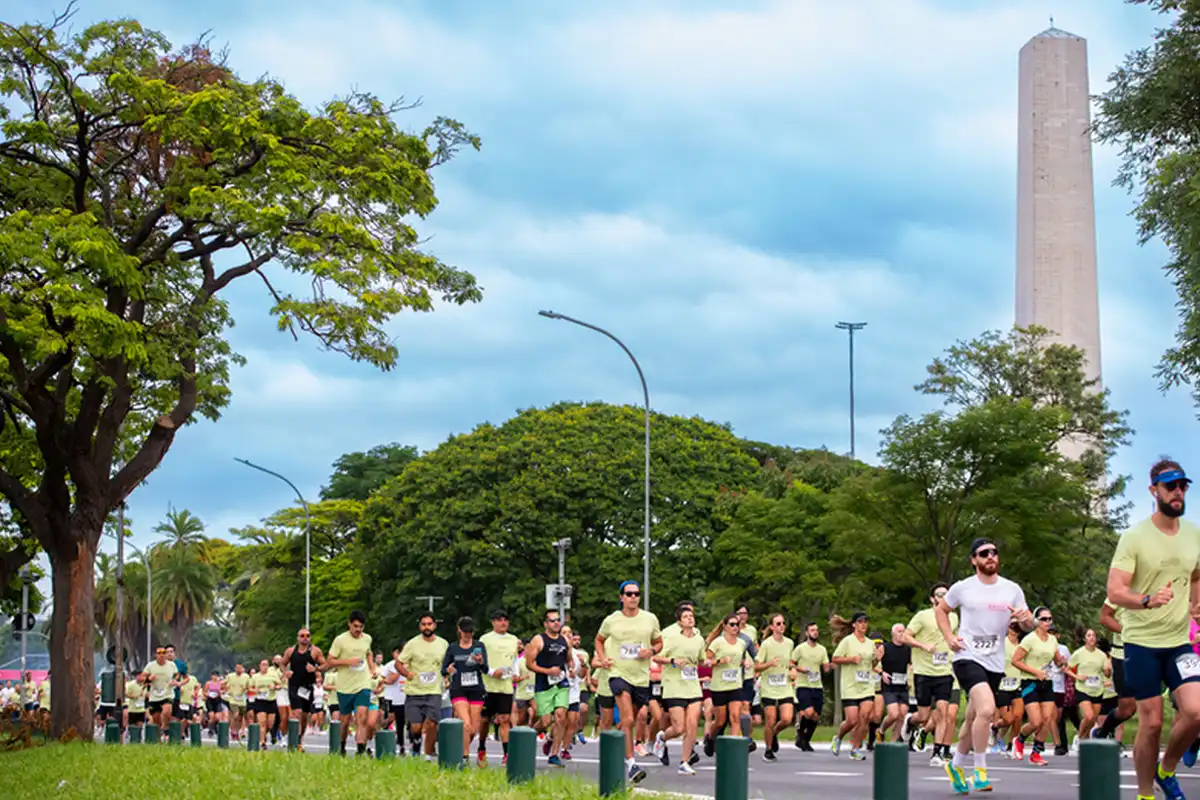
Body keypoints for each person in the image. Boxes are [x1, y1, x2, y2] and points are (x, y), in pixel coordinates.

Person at [1106, 458, 1200, 800]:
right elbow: (1115, 590)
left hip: (1178, 641)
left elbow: (1196, 574)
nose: (1178, 492)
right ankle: (1145, 793)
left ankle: (1167, 769)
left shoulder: (1194, 534)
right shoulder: (1134, 537)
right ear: (1153, 491)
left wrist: (1195, 606)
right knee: (1152, 723)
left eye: (1183, 486)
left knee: (1196, 713)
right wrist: (1147, 600)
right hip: (1142, 642)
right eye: (1170, 486)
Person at [938, 537, 1033, 795]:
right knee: (988, 710)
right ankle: (979, 771)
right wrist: (949, 636)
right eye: (984, 553)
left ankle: (956, 765)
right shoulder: (962, 588)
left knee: (972, 718)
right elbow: (941, 611)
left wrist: (1026, 620)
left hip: (994, 661)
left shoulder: (1011, 589)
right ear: (974, 560)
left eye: (994, 552)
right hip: (966, 657)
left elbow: (1028, 624)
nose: (990, 556)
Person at [595, 580, 662, 785]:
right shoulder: (611, 620)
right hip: (618, 673)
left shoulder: (650, 619)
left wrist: (651, 651)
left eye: (636, 594)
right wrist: (603, 657)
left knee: (628, 719)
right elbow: (598, 639)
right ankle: (632, 764)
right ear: (621, 597)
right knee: (629, 719)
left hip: (641, 677)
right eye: (629, 594)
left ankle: (618, 748)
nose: (633, 597)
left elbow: (659, 642)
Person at [653, 605, 705, 774]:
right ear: (680, 622)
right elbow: (657, 657)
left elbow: (702, 660)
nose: (690, 618)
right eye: (686, 616)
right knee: (679, 728)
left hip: (693, 686)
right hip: (674, 686)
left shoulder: (699, 639)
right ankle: (662, 737)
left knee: (692, 725)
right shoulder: (672, 638)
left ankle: (684, 761)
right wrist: (673, 661)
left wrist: (711, 663)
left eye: (691, 615)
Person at [1010, 606, 1064, 765]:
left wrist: (1062, 662)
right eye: (1044, 619)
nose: (1048, 622)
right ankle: (1019, 740)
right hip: (1030, 682)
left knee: (1047, 719)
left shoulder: (1053, 640)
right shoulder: (1029, 639)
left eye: (1050, 619)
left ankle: (1036, 753)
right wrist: (1035, 672)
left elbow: (1057, 659)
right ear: (1036, 621)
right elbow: (1015, 660)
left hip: (1047, 682)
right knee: (1036, 721)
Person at [397, 612, 449, 760]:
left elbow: (446, 664)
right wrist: (407, 674)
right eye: (424, 624)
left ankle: (427, 753)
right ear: (420, 626)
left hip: (434, 690)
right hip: (415, 691)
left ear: (435, 625)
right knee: (416, 727)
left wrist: (447, 676)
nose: (427, 627)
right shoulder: (412, 644)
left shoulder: (443, 644)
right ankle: (416, 745)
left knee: (432, 723)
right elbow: (398, 663)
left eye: (429, 624)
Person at [325, 609, 377, 756]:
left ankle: (360, 750)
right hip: (345, 686)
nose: (358, 630)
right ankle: (341, 747)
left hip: (363, 683)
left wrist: (372, 668)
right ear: (349, 624)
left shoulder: (367, 639)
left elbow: (368, 653)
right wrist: (348, 662)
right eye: (355, 626)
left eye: (361, 627)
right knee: (345, 721)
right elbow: (330, 661)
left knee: (362, 716)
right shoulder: (340, 640)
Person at [526, 609, 573, 768]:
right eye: (552, 620)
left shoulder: (565, 640)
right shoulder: (538, 640)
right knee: (546, 721)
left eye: (558, 620)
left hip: (561, 683)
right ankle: (528, 735)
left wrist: (572, 668)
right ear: (546, 624)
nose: (556, 623)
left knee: (561, 716)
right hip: (543, 684)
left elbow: (569, 659)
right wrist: (547, 671)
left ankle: (554, 754)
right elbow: (529, 664)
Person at [830, 612, 877, 761]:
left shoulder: (870, 643)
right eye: (860, 622)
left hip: (866, 685)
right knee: (852, 720)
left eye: (865, 622)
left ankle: (855, 748)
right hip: (850, 685)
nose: (863, 624)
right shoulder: (847, 641)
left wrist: (877, 659)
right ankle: (838, 737)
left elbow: (873, 665)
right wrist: (851, 659)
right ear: (854, 625)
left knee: (865, 718)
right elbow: (835, 659)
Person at [443, 616, 489, 767]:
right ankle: (465, 757)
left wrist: (481, 662)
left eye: (470, 632)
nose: (468, 635)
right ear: (459, 631)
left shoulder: (479, 646)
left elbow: (486, 669)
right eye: (465, 632)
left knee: (473, 729)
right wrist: (448, 670)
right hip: (459, 689)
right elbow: (443, 669)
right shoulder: (453, 647)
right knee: (466, 724)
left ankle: (459, 749)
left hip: (476, 689)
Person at [479, 609, 520, 766]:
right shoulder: (485, 639)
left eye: (505, 620)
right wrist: (491, 672)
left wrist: (515, 673)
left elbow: (514, 658)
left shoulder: (513, 639)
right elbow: (480, 661)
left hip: (506, 686)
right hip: (488, 686)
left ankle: (507, 753)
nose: (503, 623)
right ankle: (482, 747)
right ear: (493, 622)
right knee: (484, 720)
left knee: (505, 719)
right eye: (499, 620)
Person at [756, 613, 795, 760]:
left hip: (785, 685)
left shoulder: (790, 643)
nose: (782, 626)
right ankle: (768, 749)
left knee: (786, 719)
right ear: (772, 627)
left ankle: (774, 733)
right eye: (778, 624)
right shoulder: (766, 644)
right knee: (770, 720)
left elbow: (791, 662)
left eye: (783, 623)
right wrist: (768, 664)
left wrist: (793, 670)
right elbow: (756, 667)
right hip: (769, 687)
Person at [282, 627, 325, 752]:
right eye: (302, 636)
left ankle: (299, 740)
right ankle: (293, 740)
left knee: (305, 715)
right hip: (294, 686)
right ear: (297, 637)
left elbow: (325, 664)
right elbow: (282, 664)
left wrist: (315, 669)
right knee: (297, 712)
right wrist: (286, 672)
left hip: (307, 687)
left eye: (307, 635)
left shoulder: (315, 651)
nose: (305, 638)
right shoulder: (291, 651)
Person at [791, 621, 831, 752]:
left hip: (817, 685)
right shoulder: (800, 648)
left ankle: (804, 740)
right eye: (812, 630)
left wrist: (827, 667)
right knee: (808, 712)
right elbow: (791, 663)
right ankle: (801, 737)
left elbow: (826, 666)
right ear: (807, 633)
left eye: (816, 630)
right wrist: (800, 669)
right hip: (803, 685)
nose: (815, 632)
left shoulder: (822, 649)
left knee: (815, 716)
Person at [1066, 628, 1110, 742]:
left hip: (1097, 689)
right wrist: (1077, 677)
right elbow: (1067, 669)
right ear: (1085, 638)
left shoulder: (1101, 655)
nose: (1092, 638)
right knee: (1089, 716)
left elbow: (1107, 673)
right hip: (1082, 689)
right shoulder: (1079, 653)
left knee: (1092, 719)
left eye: (1094, 635)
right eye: (1089, 635)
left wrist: (1107, 671)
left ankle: (1085, 739)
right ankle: (1079, 738)